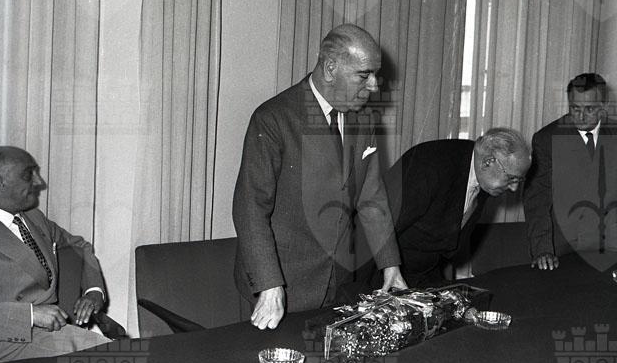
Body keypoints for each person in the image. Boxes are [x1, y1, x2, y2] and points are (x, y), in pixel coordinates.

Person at [233, 24, 406, 330]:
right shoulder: (273, 118)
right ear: (330, 69)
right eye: (364, 75)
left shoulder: (364, 119)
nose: (374, 86)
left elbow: (371, 197)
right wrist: (269, 285)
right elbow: (250, 208)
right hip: (281, 287)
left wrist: (390, 265)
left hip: (338, 282)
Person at [0, 146, 110, 363]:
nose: (39, 181)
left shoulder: (32, 217)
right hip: (3, 343)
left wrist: (93, 291)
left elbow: (79, 246)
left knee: (121, 360)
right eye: (28, 174)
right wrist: (30, 315)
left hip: (53, 333)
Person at [383, 128, 531, 287]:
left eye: (519, 181)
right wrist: (389, 268)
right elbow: (380, 218)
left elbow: (448, 241)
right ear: (488, 162)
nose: (514, 188)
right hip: (381, 269)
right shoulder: (429, 164)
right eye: (511, 179)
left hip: (422, 273)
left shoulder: (484, 175)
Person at [524, 73, 617, 270]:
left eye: (589, 109)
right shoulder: (546, 139)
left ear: (604, 106)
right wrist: (542, 250)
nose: (581, 117)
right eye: (575, 108)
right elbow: (537, 200)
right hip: (560, 249)